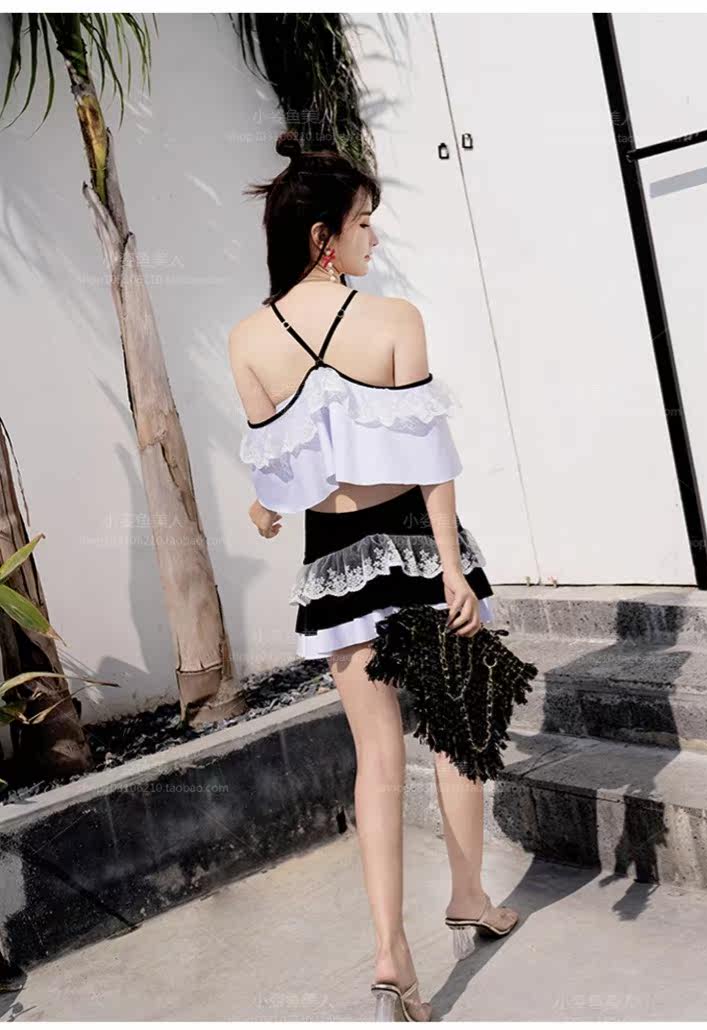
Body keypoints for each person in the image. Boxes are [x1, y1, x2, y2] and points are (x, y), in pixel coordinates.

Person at [229, 130, 519, 1022]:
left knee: (377, 759)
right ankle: (468, 895)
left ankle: (392, 951)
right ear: (325, 237)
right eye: (363, 223)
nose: (374, 238)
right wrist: (452, 573)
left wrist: (264, 511)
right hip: (417, 546)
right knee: (458, 730)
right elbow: (429, 458)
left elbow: (284, 476)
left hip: (334, 559)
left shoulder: (248, 339)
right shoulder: (394, 320)